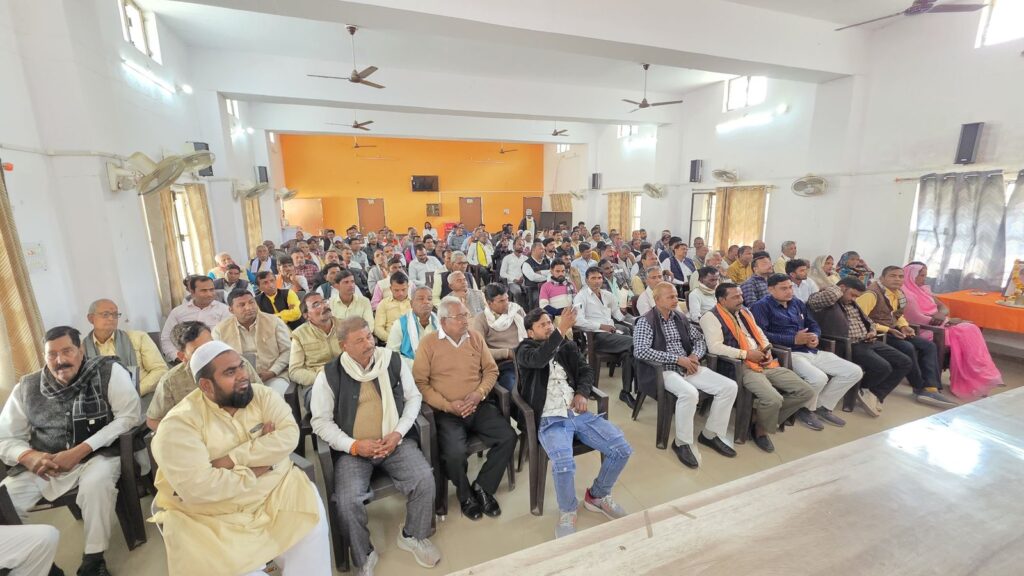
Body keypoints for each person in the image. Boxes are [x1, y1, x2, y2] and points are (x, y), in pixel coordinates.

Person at [150, 341, 332, 576]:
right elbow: (201, 488)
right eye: (230, 372)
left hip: (278, 492)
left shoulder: (262, 395)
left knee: (310, 537)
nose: (242, 376)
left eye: (241, 366)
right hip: (213, 518)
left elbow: (289, 436)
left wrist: (229, 459)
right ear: (206, 385)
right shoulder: (178, 426)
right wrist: (262, 465)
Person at [0, 326, 141, 576]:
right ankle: (35, 562)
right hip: (45, 465)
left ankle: (93, 559)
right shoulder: (26, 387)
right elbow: (6, 436)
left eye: (67, 351)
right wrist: (29, 456)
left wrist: (79, 451)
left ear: (81, 350)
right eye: (52, 354)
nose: (60, 360)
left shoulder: (108, 371)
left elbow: (128, 417)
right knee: (4, 501)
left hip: (96, 456)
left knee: (96, 484)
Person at [310, 318, 440, 574]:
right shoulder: (329, 375)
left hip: (394, 442)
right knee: (347, 501)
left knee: (425, 479)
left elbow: (413, 398)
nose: (368, 343)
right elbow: (320, 422)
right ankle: (364, 554)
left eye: (369, 336)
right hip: (354, 452)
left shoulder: (390, 360)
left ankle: (412, 535)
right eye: (359, 340)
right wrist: (354, 445)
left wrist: (398, 433)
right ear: (343, 346)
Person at [516, 307, 632, 538]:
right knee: (563, 463)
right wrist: (560, 330)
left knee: (621, 449)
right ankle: (568, 510)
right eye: (542, 325)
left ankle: (597, 495)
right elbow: (539, 360)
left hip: (578, 413)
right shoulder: (524, 350)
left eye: (550, 322)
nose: (548, 327)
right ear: (530, 332)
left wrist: (581, 393)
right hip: (550, 417)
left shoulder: (566, 346)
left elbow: (586, 371)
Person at [413, 297, 515, 521]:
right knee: (454, 453)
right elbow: (420, 383)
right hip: (447, 412)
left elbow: (491, 371)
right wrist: (447, 405)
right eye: (458, 317)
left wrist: (479, 394)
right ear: (443, 321)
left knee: (508, 437)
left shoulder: (475, 338)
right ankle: (465, 494)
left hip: (477, 405)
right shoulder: (428, 343)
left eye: (465, 315)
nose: (465, 320)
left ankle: (483, 486)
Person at [700, 284, 814, 452]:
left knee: (806, 391)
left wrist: (767, 350)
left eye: (741, 295)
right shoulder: (711, 317)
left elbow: (760, 334)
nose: (741, 299)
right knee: (773, 399)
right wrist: (746, 354)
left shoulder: (745, 311)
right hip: (741, 366)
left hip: (763, 361)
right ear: (722, 300)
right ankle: (761, 430)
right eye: (735, 297)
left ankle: (760, 417)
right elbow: (715, 347)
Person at [634, 283, 738, 468]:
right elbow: (641, 351)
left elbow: (699, 339)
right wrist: (676, 359)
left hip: (688, 365)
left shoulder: (679, 317)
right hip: (664, 370)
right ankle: (682, 442)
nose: (676, 300)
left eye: (676, 296)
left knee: (729, 387)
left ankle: (710, 434)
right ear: (657, 300)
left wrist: (694, 356)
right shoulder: (646, 321)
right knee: (689, 393)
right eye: (670, 297)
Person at [750, 274, 862, 429]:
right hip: (788, 353)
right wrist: (793, 339)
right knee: (818, 378)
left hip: (811, 350)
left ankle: (822, 405)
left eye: (790, 287)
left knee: (854, 371)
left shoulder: (796, 303)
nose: (789, 291)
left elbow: (813, 323)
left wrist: (815, 336)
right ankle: (805, 410)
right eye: (784, 288)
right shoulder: (761, 306)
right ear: (770, 289)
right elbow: (761, 334)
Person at [807, 278, 913, 416]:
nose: (854, 299)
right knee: (883, 367)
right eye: (852, 295)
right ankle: (863, 389)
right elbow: (818, 300)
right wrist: (839, 288)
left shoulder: (852, 303)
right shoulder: (824, 302)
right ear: (841, 288)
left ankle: (874, 393)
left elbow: (870, 322)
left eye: (856, 296)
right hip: (848, 344)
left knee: (905, 362)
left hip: (867, 340)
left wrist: (872, 331)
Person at [856, 266, 957, 408]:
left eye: (900, 276)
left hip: (893, 330)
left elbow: (898, 315)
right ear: (882, 278)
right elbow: (860, 320)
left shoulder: (899, 294)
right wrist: (888, 329)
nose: (897, 279)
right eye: (892, 276)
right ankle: (919, 387)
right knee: (907, 347)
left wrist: (904, 326)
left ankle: (931, 388)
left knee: (928, 346)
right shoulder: (871, 294)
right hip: (876, 333)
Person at [901, 263, 1002, 398]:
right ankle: (974, 378)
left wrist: (942, 315)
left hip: (941, 324)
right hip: (926, 329)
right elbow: (916, 319)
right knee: (966, 331)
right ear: (910, 275)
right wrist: (948, 321)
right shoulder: (906, 294)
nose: (925, 278)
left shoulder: (923, 290)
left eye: (925, 275)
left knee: (971, 329)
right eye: (922, 275)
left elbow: (944, 307)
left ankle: (980, 377)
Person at [147, 321, 262, 428]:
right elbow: (153, 420)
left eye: (211, 345)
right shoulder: (171, 381)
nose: (210, 353)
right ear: (183, 357)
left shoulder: (238, 364)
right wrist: (183, 436)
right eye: (199, 351)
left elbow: (261, 397)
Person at [574, 267, 637, 408]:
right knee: (635, 343)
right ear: (586, 280)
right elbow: (578, 321)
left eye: (599, 278)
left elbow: (618, 316)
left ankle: (626, 392)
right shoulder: (581, 297)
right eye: (593, 278)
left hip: (612, 334)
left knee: (629, 353)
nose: (597, 281)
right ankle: (644, 380)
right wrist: (601, 326)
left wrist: (631, 316)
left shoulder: (608, 295)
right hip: (597, 337)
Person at [213, 289, 292, 396]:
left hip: (274, 376)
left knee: (272, 397)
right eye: (242, 305)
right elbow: (218, 361)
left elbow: (288, 351)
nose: (249, 307)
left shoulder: (274, 321)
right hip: (237, 380)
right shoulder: (220, 330)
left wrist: (273, 371)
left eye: (251, 302)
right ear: (231, 310)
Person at [84, 298, 167, 397]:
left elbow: (160, 369)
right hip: (103, 402)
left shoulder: (138, 337)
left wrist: (134, 392)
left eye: (115, 314)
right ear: (91, 318)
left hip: (143, 397)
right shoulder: (81, 349)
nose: (111, 318)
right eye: (105, 314)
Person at [159, 275, 232, 359]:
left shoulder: (224, 310)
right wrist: (177, 357)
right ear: (192, 292)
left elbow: (229, 338)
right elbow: (166, 338)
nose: (209, 294)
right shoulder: (178, 312)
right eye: (204, 291)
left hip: (216, 358)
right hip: (185, 359)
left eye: (212, 290)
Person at [289, 293, 342, 407]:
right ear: (306, 315)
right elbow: (294, 371)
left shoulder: (344, 326)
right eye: (316, 304)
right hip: (316, 383)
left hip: (346, 377)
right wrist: (321, 378)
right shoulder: (299, 335)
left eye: (324, 301)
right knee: (324, 401)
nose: (324, 306)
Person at [472, 283, 525, 393]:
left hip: (524, 357)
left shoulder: (516, 311)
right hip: (504, 364)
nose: (506, 303)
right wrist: (507, 353)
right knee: (513, 387)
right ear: (489, 303)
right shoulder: (481, 320)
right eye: (501, 301)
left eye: (507, 299)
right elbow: (479, 351)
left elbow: (531, 332)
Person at [387, 286, 438, 369]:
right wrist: (417, 365)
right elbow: (391, 354)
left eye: (429, 299)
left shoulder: (440, 322)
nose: (426, 302)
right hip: (410, 370)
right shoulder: (400, 324)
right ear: (411, 304)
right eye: (421, 299)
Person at [374, 272, 412, 342]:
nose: (400, 293)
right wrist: (392, 339)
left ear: (408, 287)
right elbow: (378, 328)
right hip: (391, 341)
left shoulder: (414, 303)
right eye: (396, 290)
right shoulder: (383, 304)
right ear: (391, 289)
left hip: (413, 341)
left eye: (403, 289)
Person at [521, 241, 551, 309]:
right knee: (539, 299)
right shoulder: (527, 264)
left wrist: (541, 272)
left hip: (548, 287)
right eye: (541, 249)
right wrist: (548, 277)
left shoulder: (547, 261)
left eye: (544, 249)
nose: (543, 251)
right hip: (533, 289)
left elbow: (552, 272)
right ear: (533, 250)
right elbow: (533, 277)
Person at [499, 238, 528, 306]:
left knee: (532, 291)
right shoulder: (507, 258)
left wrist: (523, 277)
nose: (521, 246)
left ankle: (529, 309)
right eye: (519, 244)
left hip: (524, 281)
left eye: (523, 245)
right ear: (514, 246)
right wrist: (513, 279)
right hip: (512, 282)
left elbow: (528, 271)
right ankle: (520, 309)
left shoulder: (526, 259)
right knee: (517, 291)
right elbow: (502, 273)